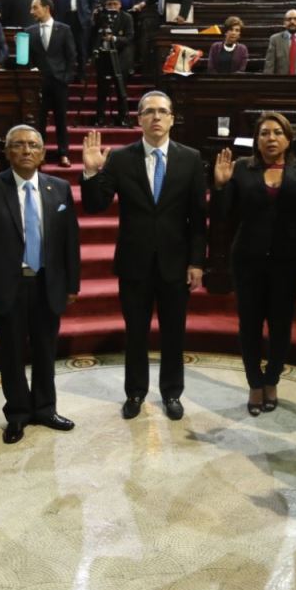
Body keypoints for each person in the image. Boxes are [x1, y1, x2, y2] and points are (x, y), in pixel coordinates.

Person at [81, 91, 207, 421]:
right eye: (149, 111)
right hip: (134, 263)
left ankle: (172, 392)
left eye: (163, 111)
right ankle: (135, 392)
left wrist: (196, 262)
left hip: (175, 263)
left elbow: (198, 218)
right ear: (139, 119)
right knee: (135, 332)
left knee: (174, 332)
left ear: (172, 118)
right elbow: (95, 205)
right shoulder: (121, 158)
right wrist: (92, 173)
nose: (156, 117)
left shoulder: (191, 158)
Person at [0, 127, 80, 444]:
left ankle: (46, 409)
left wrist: (72, 284)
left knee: (45, 351)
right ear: (8, 152)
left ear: (42, 153)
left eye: (33, 145)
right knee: (11, 353)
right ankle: (18, 414)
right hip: (6, 285)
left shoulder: (59, 188)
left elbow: (70, 239)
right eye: (19, 145)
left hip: (47, 283)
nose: (26, 150)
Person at [212, 110, 296, 415]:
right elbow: (221, 215)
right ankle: (255, 384)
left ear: (289, 138)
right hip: (248, 262)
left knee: (281, 327)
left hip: (288, 263)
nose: (271, 138)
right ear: (256, 140)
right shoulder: (241, 168)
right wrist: (220, 187)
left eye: (277, 132)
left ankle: (272, 380)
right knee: (249, 326)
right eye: (264, 133)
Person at [26, 0, 77, 165]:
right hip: (38, 83)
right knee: (39, 121)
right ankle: (39, 154)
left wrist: (66, 79)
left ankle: (64, 154)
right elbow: (23, 59)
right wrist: (31, 71)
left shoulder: (64, 29)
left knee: (61, 120)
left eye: (35, 7)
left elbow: (71, 56)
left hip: (59, 82)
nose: (31, 11)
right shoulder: (28, 31)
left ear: (46, 8)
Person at [42, 0, 96, 78]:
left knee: (81, 48)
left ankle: (81, 75)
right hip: (63, 18)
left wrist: (89, 15)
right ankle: (63, 74)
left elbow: (94, 1)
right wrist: (45, 3)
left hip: (81, 19)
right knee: (62, 46)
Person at [92, 0, 134, 127]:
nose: (112, 7)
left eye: (115, 4)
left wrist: (114, 39)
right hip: (103, 56)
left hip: (121, 57)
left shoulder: (126, 17)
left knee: (121, 89)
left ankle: (123, 118)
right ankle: (100, 118)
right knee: (102, 90)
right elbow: (93, 33)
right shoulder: (101, 17)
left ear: (120, 4)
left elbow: (129, 37)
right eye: (109, 4)